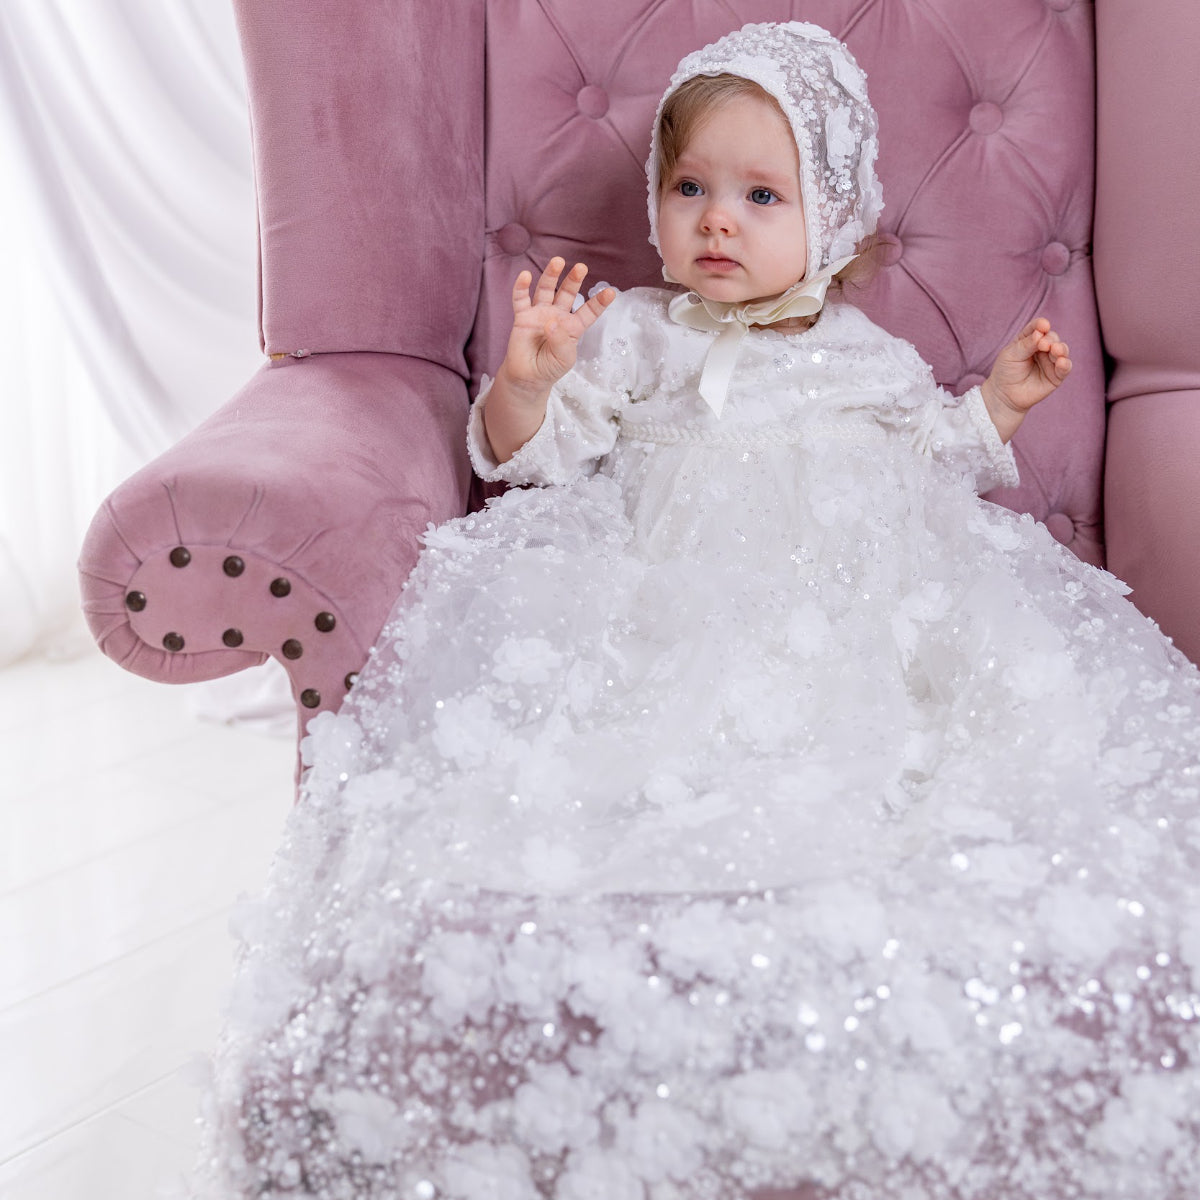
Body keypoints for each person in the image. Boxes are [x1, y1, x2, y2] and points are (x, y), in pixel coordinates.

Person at [196, 22, 1200, 1200]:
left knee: (928, 741)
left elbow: (937, 460)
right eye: (690, 188)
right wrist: (530, 378)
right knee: (631, 747)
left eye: (761, 195)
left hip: (842, 610)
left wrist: (1003, 405)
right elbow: (534, 459)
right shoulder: (635, 333)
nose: (717, 220)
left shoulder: (868, 356)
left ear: (833, 217)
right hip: (666, 605)